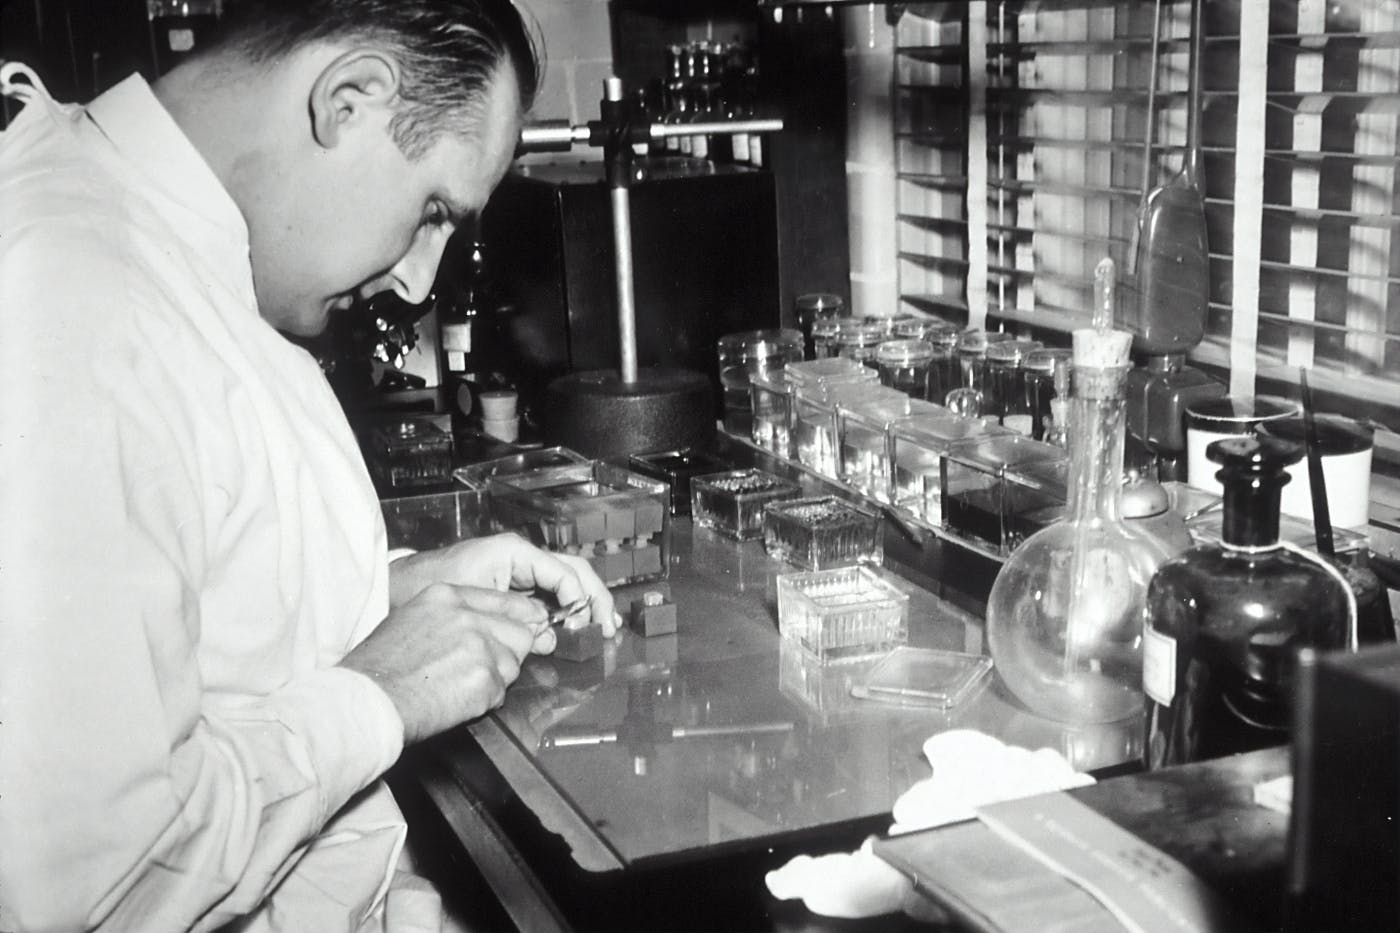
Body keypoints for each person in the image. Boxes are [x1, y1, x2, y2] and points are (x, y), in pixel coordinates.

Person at [0, 2, 617, 930]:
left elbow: (198, 633)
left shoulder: (173, 250)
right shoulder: (80, 297)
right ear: (350, 100)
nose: (417, 280)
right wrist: (385, 689)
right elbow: (95, 889)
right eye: (434, 211)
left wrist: (396, 594)